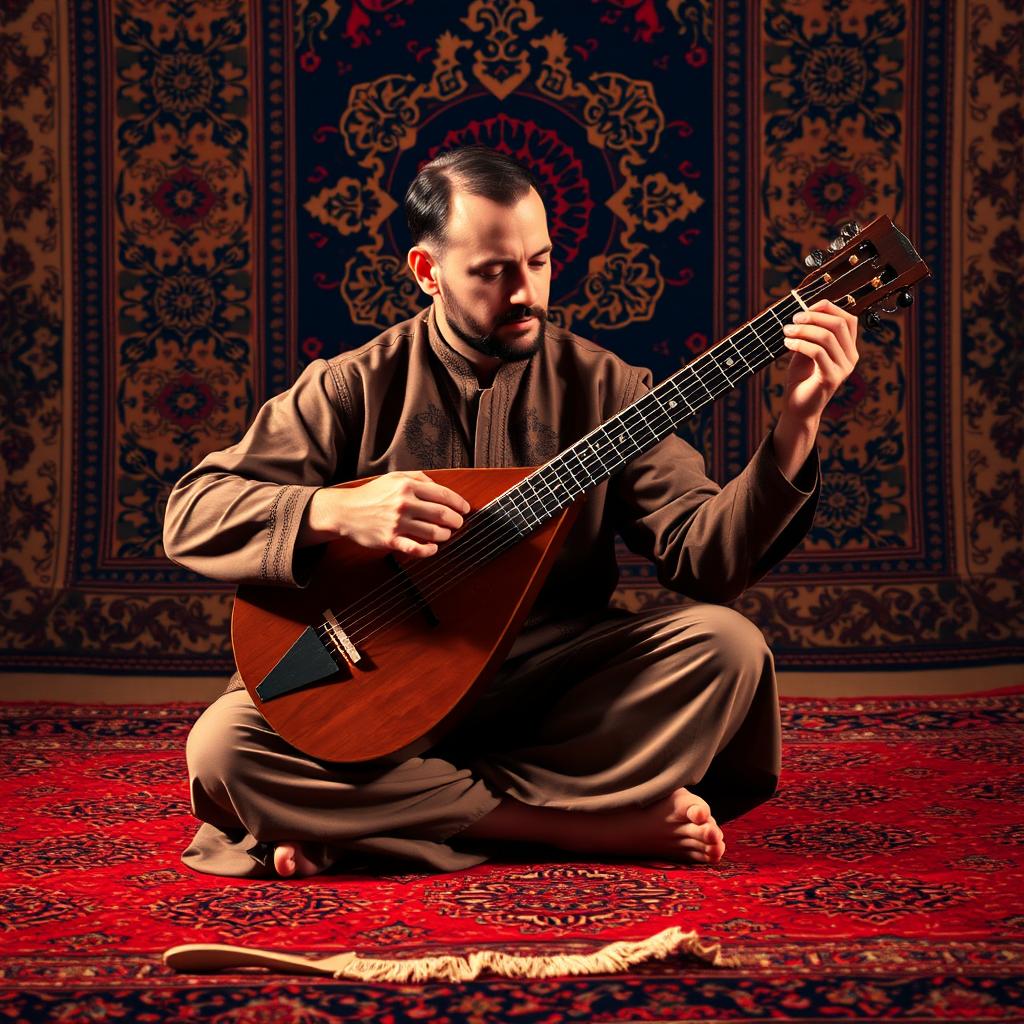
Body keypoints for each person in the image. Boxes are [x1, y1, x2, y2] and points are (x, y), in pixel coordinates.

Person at [164, 146, 859, 879]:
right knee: (224, 747)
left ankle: (362, 823)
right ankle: (573, 828)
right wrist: (334, 510)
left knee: (728, 649)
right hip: (374, 686)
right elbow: (192, 513)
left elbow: (707, 561)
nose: (525, 292)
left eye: (539, 261)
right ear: (428, 273)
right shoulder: (352, 386)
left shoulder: (607, 388)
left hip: (545, 689)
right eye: (493, 272)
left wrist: (798, 423)